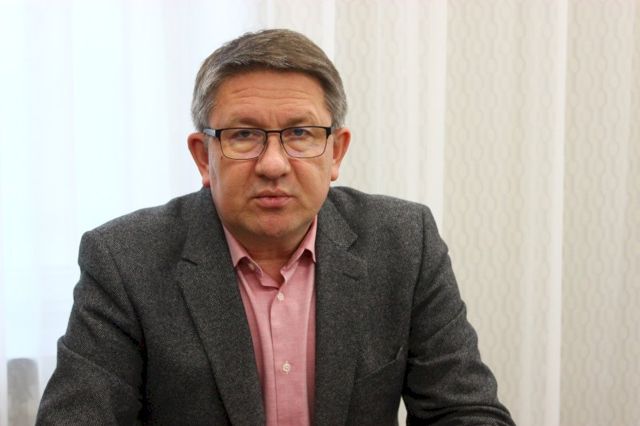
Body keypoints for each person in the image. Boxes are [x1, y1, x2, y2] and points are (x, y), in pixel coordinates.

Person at [36, 29, 515, 425]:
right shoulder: (124, 260)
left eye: (300, 134)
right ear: (203, 157)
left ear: (336, 153)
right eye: (244, 135)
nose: (273, 164)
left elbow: (465, 410)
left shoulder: (404, 242)